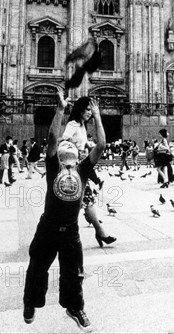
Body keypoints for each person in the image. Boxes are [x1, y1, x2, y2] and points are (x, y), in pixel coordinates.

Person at [23, 90, 106, 331]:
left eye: (72, 145)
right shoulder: (53, 169)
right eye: (64, 144)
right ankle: (31, 302)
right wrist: (60, 109)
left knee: (74, 273)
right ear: (59, 153)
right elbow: (51, 138)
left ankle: (74, 307)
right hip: (48, 227)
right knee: (37, 267)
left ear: (78, 155)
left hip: (70, 231)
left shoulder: (82, 170)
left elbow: (100, 144)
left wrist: (98, 116)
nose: (68, 145)